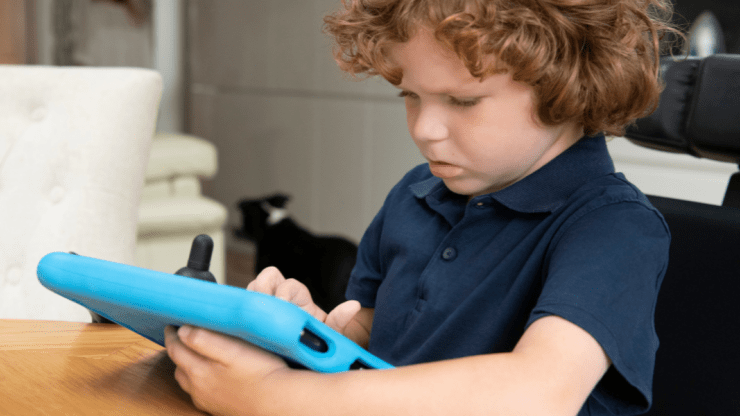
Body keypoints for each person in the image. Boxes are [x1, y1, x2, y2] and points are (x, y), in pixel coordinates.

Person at [164, 1, 682, 415]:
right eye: (410, 96)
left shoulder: (615, 228)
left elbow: (538, 394)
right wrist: (306, 335)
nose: (423, 130)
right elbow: (370, 339)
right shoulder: (415, 194)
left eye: (462, 101)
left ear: (569, 86)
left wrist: (269, 397)